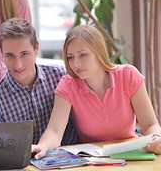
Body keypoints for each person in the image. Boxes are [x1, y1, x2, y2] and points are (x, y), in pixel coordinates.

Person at [32, 24, 161, 159]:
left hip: (131, 155)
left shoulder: (128, 75)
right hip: (93, 160)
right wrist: (43, 146)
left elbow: (150, 125)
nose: (76, 63)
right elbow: (54, 131)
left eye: (83, 55)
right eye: (70, 57)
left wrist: (156, 139)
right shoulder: (68, 85)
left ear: (98, 52)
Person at [0, 18, 79, 146]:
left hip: (73, 157)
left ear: (36, 48)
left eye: (24, 54)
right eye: (10, 55)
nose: (18, 64)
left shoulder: (61, 76)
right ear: (1, 54)